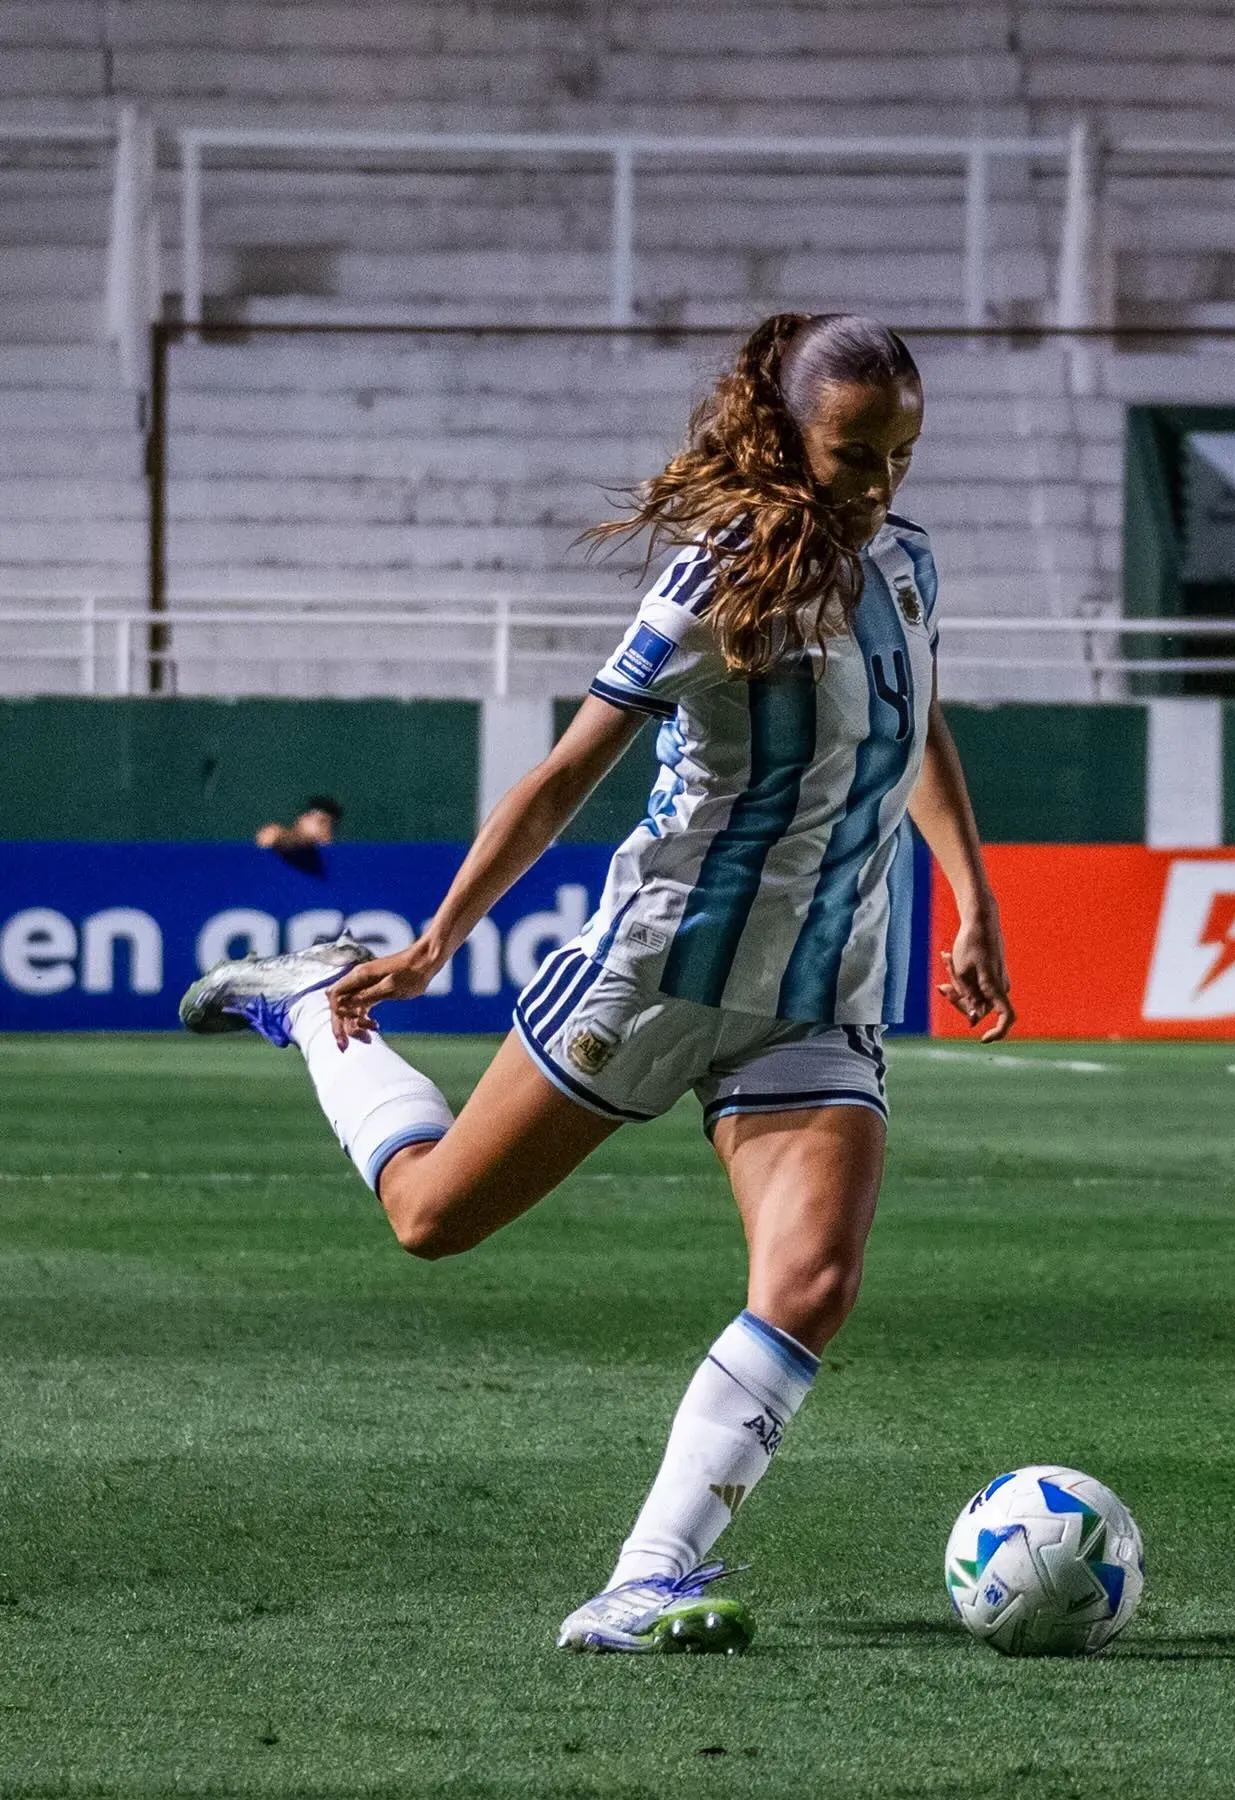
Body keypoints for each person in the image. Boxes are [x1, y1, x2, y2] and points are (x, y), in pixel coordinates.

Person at [180, 313, 1015, 1656]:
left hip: (819, 993)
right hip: (660, 970)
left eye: (900, 457)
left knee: (811, 1280)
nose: (878, 485)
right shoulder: (715, 583)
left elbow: (918, 725)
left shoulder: (909, 566)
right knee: (433, 1219)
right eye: (854, 456)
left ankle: (642, 1581)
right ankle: (315, 1005)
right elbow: (564, 778)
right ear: (791, 439)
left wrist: (973, 899)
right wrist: (438, 939)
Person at [254, 794, 344, 854]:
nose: (314, 826)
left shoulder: (340, 862)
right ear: (299, 820)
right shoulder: (273, 835)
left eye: (322, 822)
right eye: (309, 817)